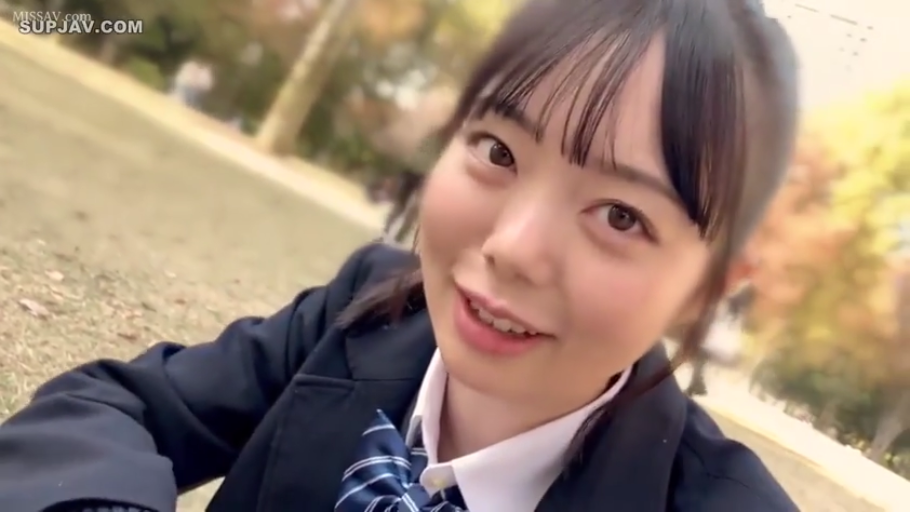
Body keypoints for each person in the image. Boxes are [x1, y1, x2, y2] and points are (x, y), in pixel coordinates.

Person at [0, 0, 800, 511]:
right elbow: (121, 406)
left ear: (708, 289)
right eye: (498, 151)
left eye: (621, 216)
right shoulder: (367, 311)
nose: (512, 247)